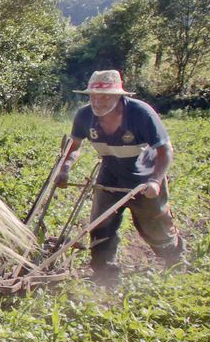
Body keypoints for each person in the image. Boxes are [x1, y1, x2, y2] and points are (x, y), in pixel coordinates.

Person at [55, 69, 184, 286]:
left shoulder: (141, 114)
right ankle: (104, 275)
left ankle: (175, 260)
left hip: (143, 177)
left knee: (154, 226)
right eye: (93, 96)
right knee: (100, 224)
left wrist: (155, 180)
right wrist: (65, 167)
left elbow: (165, 150)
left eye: (105, 96)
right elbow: (74, 147)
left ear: (118, 96)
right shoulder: (84, 116)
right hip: (110, 175)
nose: (98, 101)